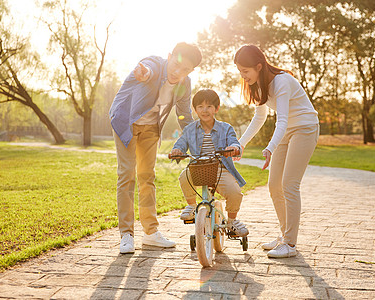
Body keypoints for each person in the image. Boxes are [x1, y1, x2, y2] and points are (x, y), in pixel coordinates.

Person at [109, 42, 202, 254]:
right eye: (176, 65)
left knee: (147, 176)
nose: (178, 72)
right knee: (127, 174)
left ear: (191, 71)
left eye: (185, 70)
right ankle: (127, 234)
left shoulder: (184, 84)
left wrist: (195, 142)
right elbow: (147, 70)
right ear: (169, 56)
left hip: (151, 127)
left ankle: (150, 233)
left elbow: (184, 115)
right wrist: (144, 73)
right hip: (126, 122)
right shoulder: (153, 64)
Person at [233, 45, 319, 258]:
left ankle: (290, 244)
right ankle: (284, 236)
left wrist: (270, 147)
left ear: (259, 66)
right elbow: (260, 117)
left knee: (289, 185)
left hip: (305, 128)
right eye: (240, 71)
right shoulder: (259, 85)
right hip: (286, 131)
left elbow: (281, 119)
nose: (243, 76)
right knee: (273, 186)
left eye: (245, 71)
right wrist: (241, 144)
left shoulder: (281, 81)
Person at [170, 89, 249, 237]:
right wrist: (177, 151)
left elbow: (233, 141)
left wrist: (233, 147)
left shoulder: (226, 128)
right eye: (200, 106)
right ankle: (192, 206)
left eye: (209, 106)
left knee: (235, 192)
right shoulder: (189, 129)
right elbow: (181, 143)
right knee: (183, 177)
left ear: (216, 108)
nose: (204, 110)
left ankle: (232, 221)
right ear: (195, 109)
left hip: (220, 168)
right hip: (197, 168)